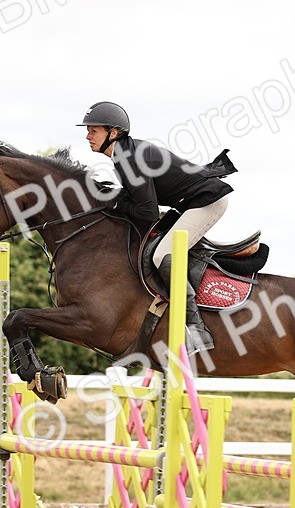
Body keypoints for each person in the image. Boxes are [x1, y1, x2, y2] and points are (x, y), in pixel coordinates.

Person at [79, 101, 236, 354]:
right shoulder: (124, 155)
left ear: (114, 133)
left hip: (207, 202)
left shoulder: (128, 158)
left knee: (163, 254)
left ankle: (197, 329)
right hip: (188, 203)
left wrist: (113, 199)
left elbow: (147, 212)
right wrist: (116, 197)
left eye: (93, 130)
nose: (87, 136)